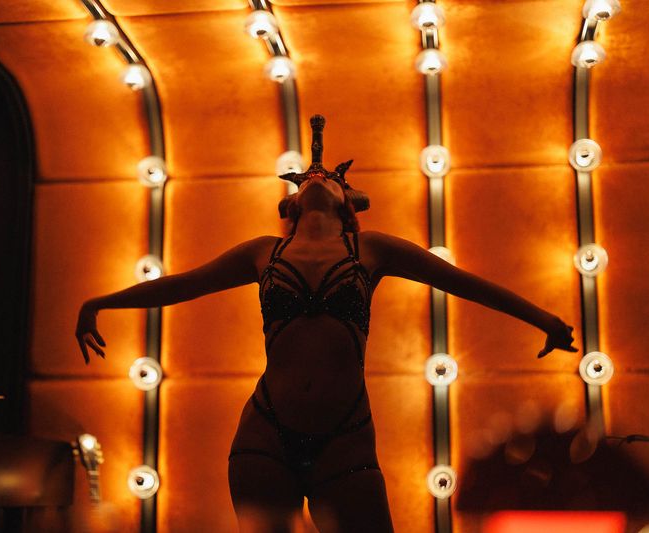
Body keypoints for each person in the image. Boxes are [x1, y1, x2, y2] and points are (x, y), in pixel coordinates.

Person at [75, 116, 577, 532]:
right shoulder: (263, 253)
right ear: (290, 203)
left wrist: (543, 319)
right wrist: (101, 303)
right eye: (307, 176)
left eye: (329, 175)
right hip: (265, 436)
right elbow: (183, 284)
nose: (316, 175)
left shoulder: (371, 248)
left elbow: (461, 281)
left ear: (349, 199)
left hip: (345, 441)